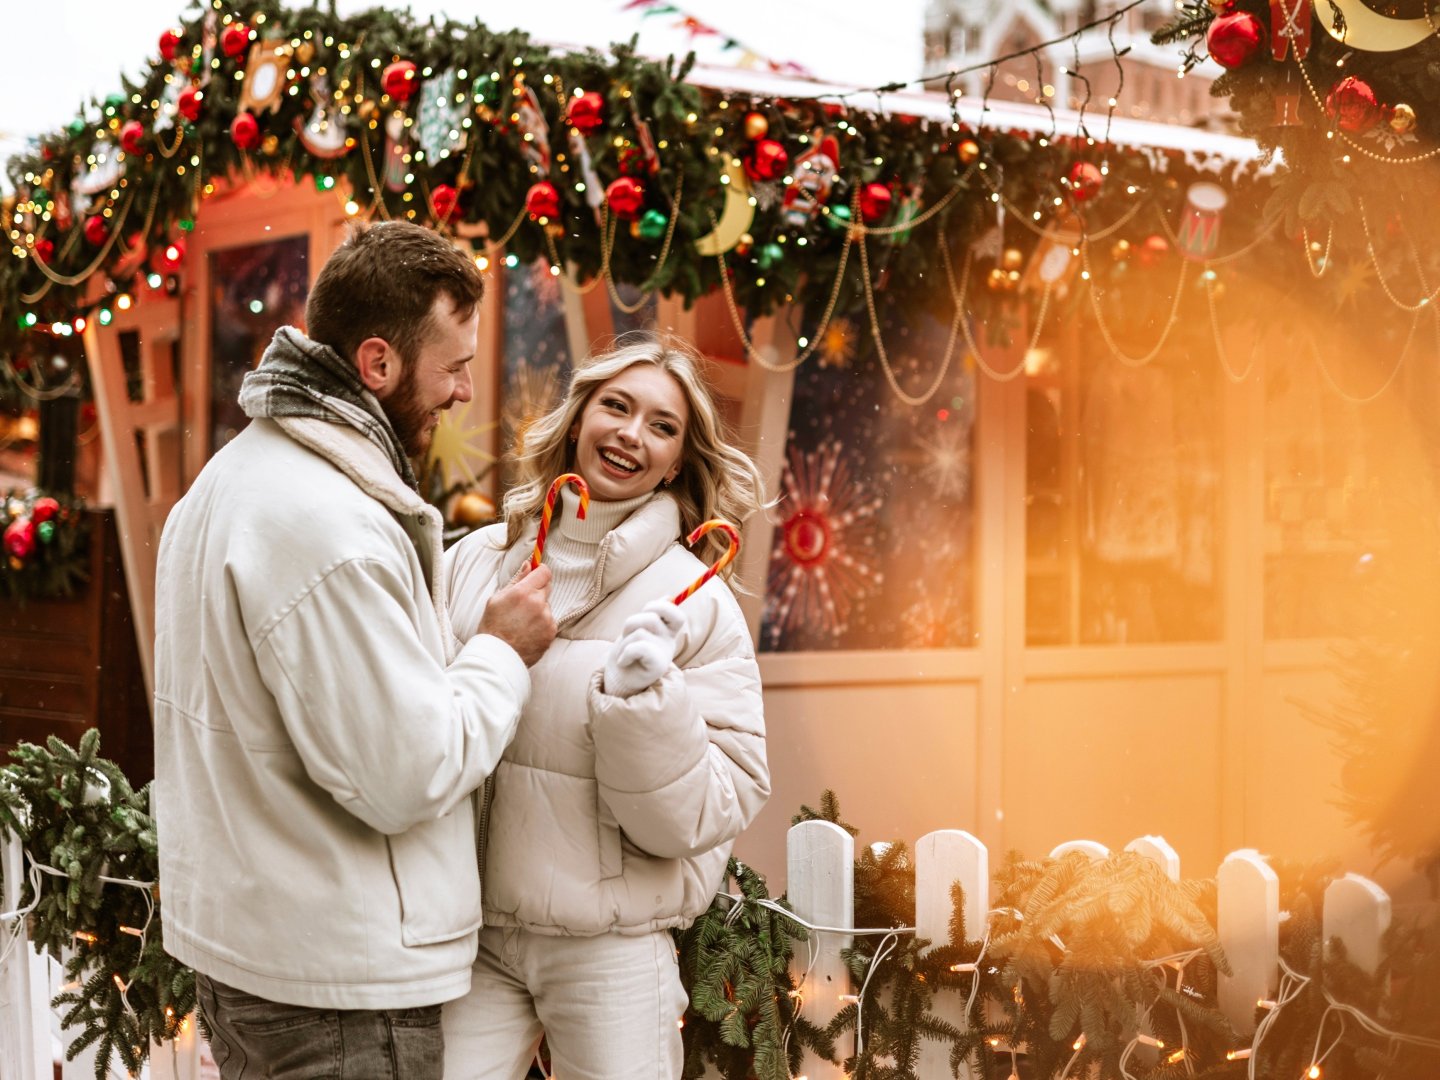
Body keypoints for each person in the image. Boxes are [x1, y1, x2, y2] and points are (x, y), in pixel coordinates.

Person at [152, 220, 556, 1078]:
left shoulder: (230, 482)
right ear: (378, 364)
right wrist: (499, 651)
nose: (461, 392)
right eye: (452, 367)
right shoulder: (326, 526)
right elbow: (405, 772)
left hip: (266, 952)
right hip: (336, 996)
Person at [441, 332, 771, 1080]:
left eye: (662, 425)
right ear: (577, 417)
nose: (632, 433)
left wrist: (646, 707)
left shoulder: (696, 601)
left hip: (610, 949)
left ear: (680, 460)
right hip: (469, 937)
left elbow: (709, 808)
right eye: (615, 407)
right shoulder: (471, 563)